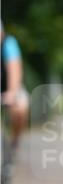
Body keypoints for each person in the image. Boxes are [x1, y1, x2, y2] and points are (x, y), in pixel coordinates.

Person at [1, 21, 29, 152]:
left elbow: (14, 69)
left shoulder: (9, 43)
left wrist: (12, 93)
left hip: (9, 87)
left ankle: (15, 140)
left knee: (20, 109)